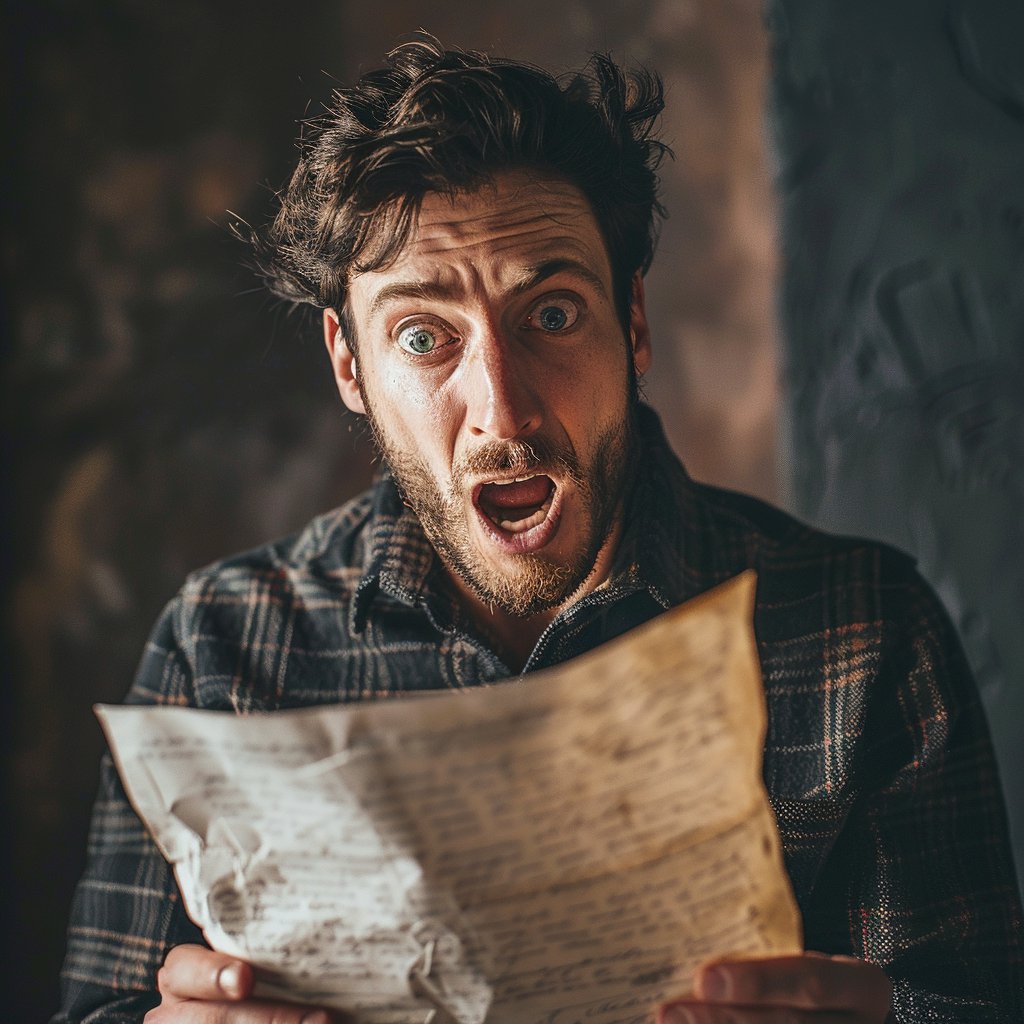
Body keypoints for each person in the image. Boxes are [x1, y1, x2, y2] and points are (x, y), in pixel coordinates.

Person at [54, 38, 1022, 1024]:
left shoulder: (866, 628)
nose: (504, 414)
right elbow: (99, 1006)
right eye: (425, 337)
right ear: (348, 364)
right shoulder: (218, 645)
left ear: (631, 322)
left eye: (552, 314)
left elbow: (970, 1001)